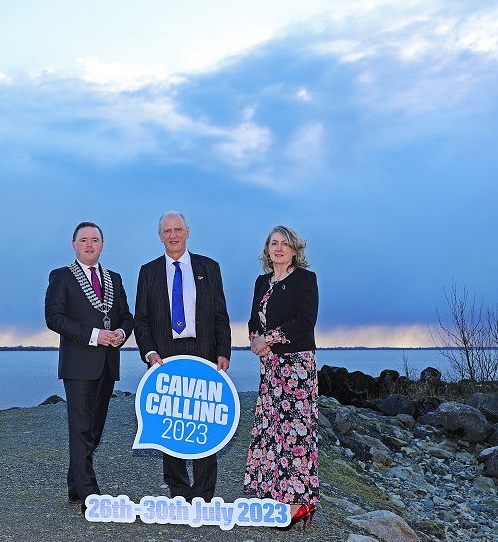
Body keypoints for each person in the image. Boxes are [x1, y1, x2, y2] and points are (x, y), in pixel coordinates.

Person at [134, 211, 231, 503]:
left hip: (203, 354)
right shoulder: (148, 271)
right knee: (170, 424)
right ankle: (178, 492)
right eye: (167, 231)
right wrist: (149, 353)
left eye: (178, 229)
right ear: (160, 236)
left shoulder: (209, 267)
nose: (173, 235)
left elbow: (220, 316)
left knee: (205, 422)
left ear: (188, 231)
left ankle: (203, 495)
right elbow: (141, 320)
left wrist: (223, 352)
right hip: (164, 357)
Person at [45, 222, 134, 511]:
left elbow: (126, 316)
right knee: (81, 429)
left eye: (95, 240)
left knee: (94, 430)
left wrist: (122, 333)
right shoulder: (61, 277)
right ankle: (89, 495)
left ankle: (74, 482)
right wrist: (95, 336)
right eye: (83, 240)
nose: (89, 244)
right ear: (73, 245)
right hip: (78, 364)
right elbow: (54, 319)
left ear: (102, 245)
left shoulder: (114, 279)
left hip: (108, 363)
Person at [243, 225, 319, 530]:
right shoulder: (262, 282)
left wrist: (269, 339)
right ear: (267, 249)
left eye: (285, 244)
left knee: (295, 434)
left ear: (295, 250)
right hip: (270, 366)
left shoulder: (305, 279)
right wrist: (253, 340)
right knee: (273, 430)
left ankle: (298, 503)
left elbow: (305, 320)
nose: (278, 248)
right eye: (274, 243)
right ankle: (277, 496)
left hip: (297, 366)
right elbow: (252, 319)